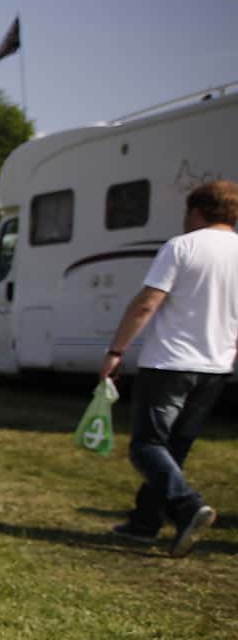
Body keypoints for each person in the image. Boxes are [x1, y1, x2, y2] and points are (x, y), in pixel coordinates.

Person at [99, 179, 238, 557]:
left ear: (197, 211)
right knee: (173, 449)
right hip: (216, 365)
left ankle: (188, 506)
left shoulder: (182, 247)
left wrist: (116, 350)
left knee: (147, 446)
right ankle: (145, 524)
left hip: (170, 362)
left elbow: (148, 303)